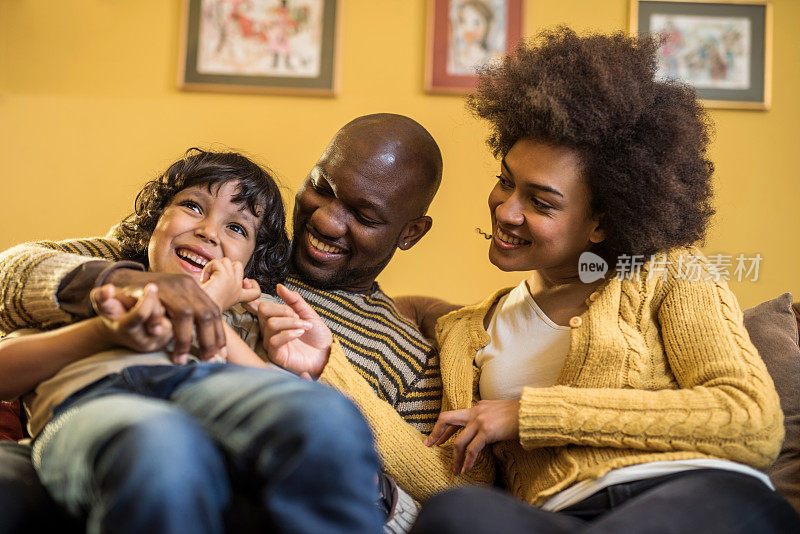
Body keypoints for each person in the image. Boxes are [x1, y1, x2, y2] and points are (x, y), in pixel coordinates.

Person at [258, 28, 800, 533]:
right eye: (504, 182)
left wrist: (529, 414)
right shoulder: (464, 333)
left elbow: (749, 419)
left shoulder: (670, 275)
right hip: (559, 517)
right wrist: (330, 367)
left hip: (692, 497)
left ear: (602, 220)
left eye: (539, 202)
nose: (505, 211)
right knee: (455, 514)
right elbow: (453, 476)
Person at [0, 115, 485, 529]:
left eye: (363, 215)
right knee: (161, 448)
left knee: (322, 415)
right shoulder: (151, 254)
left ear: (411, 232)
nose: (328, 221)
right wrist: (127, 286)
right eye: (322, 188)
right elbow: (15, 276)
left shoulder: (410, 353)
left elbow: (443, 491)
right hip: (116, 417)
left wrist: (322, 374)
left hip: (254, 450)